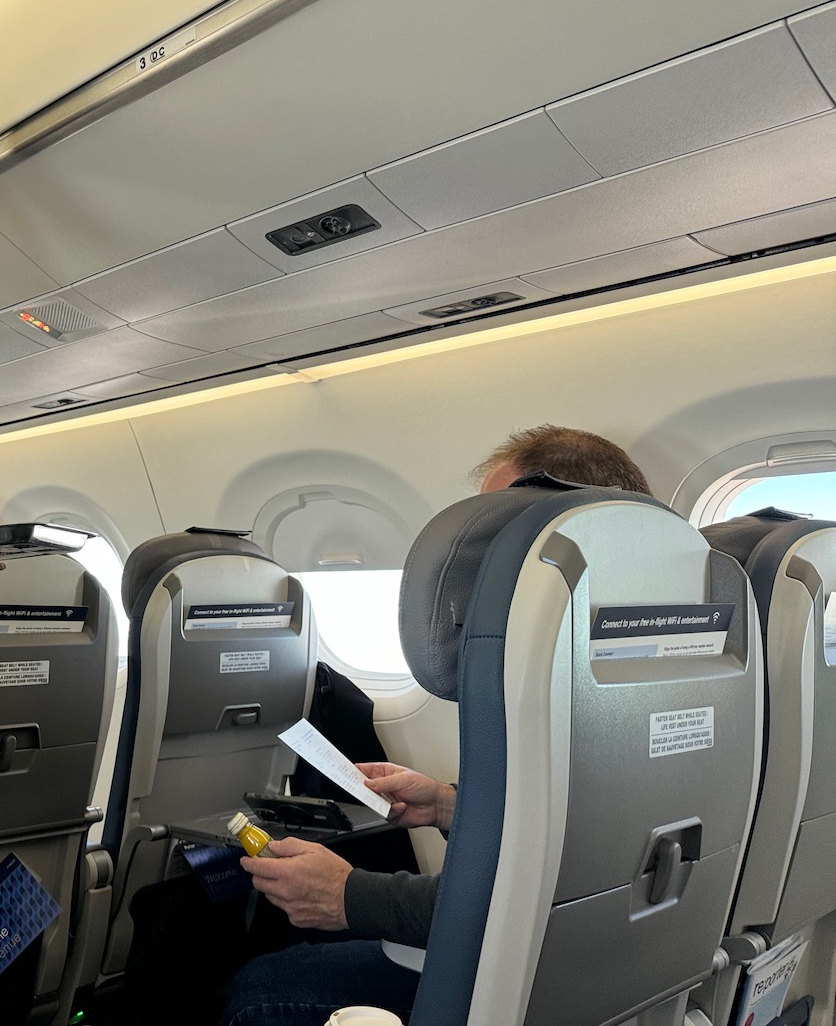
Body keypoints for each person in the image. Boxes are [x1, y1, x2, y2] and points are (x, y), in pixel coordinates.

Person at [220, 425, 652, 1026]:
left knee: (262, 987)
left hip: (548, 979)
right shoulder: (627, 661)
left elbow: (541, 900)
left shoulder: (572, 683)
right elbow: (560, 842)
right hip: (594, 966)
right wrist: (448, 806)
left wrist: (351, 897)